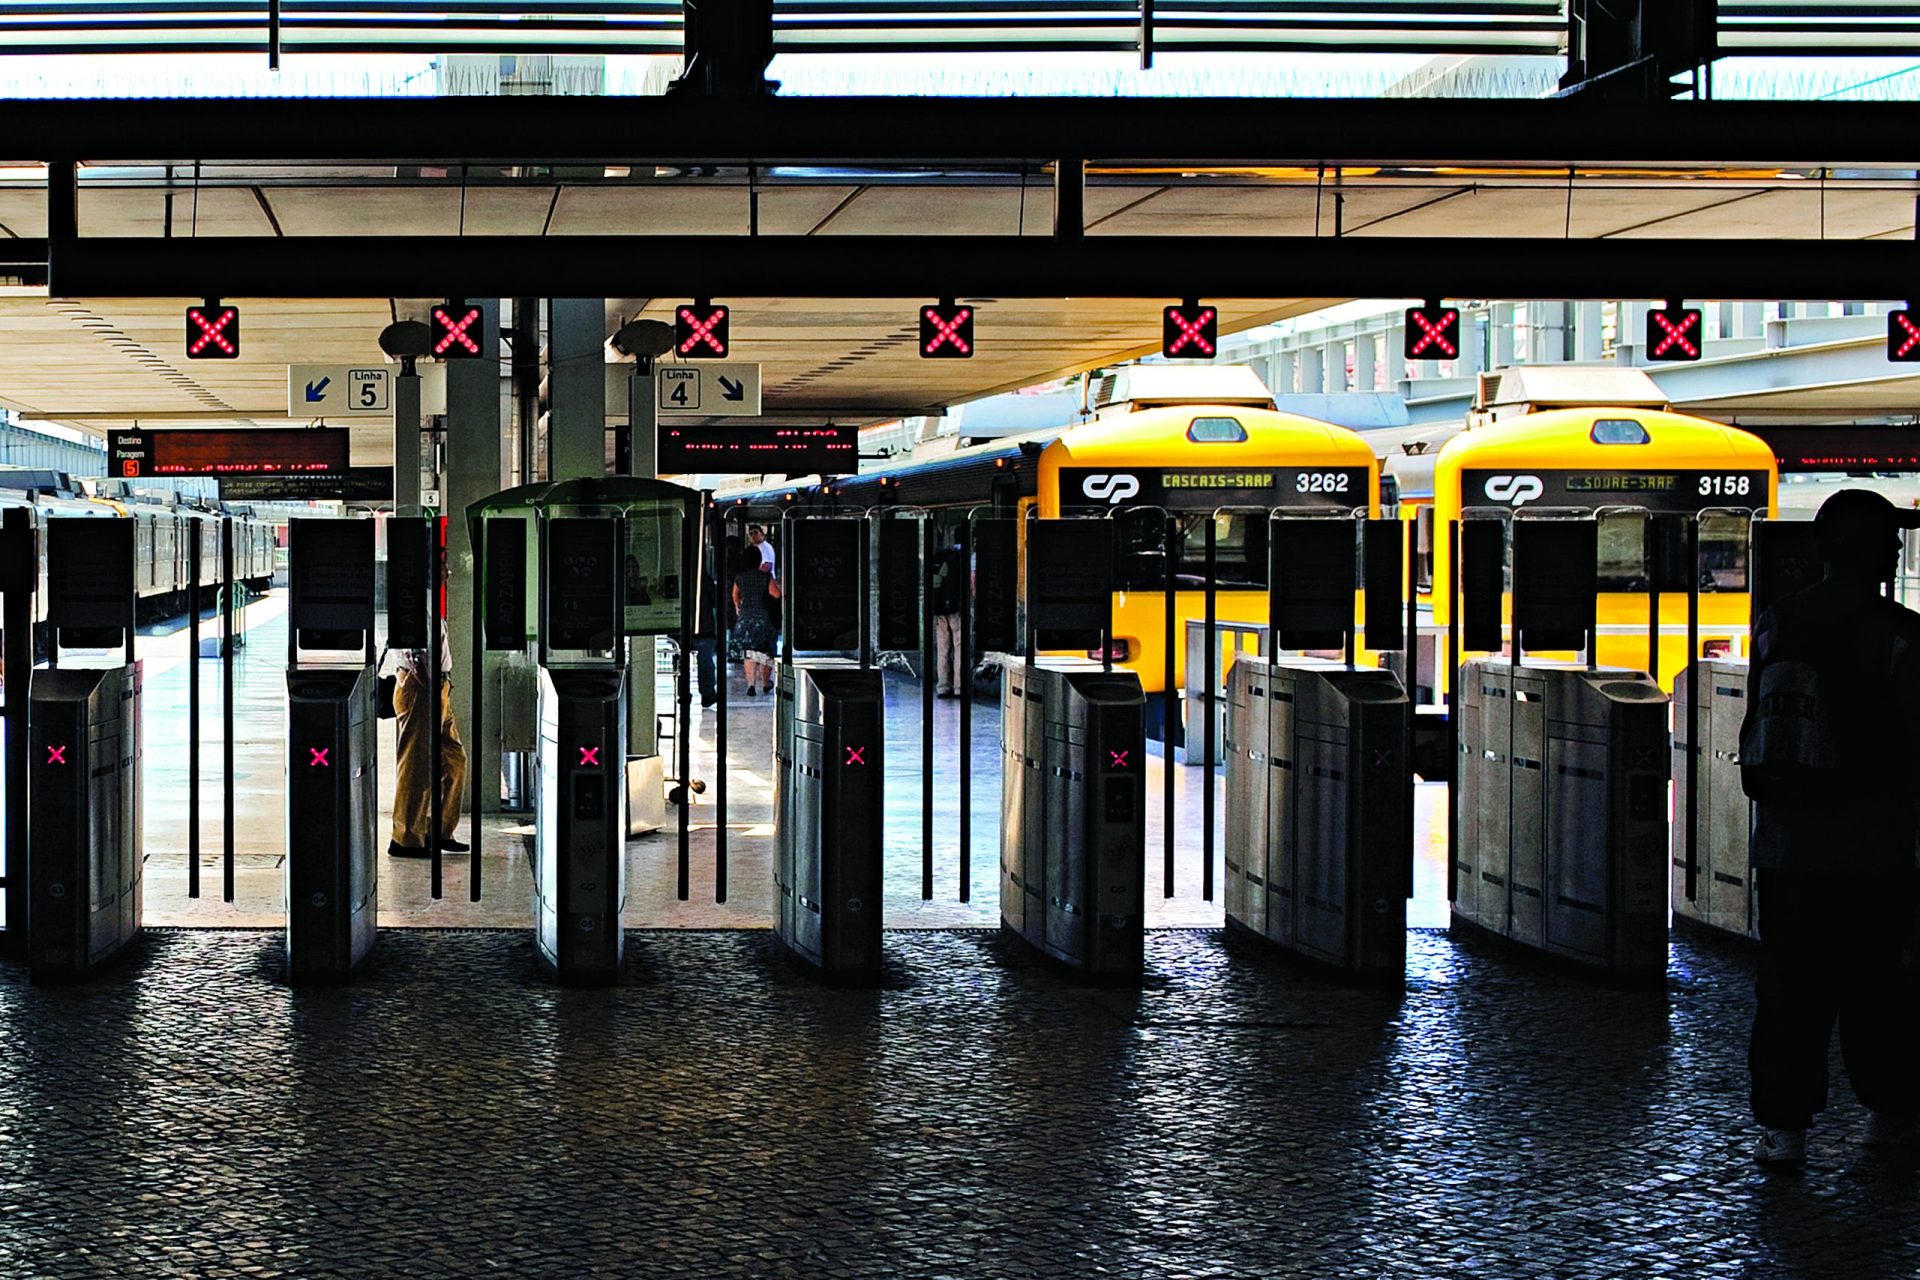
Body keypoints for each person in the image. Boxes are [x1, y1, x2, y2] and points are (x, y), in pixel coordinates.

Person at [1741, 488, 1920, 1167]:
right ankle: (1890, 1114)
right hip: (1876, 849)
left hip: (1788, 846)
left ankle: (1784, 1130)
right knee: (1881, 987)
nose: (1899, 549)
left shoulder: (1777, 623)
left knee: (1790, 989)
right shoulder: (1902, 636)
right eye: (1891, 540)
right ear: (1877, 554)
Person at [390, 619, 468, 858]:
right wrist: (432, 688)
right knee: (417, 764)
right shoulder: (415, 604)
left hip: (439, 686)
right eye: (446, 576)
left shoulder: (431, 602)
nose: (447, 578)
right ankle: (406, 838)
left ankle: (439, 830)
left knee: (455, 759)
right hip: (422, 687)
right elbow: (416, 655)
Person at [731, 543, 777, 697]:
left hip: (745, 620)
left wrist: (738, 607)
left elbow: (735, 595)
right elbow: (776, 594)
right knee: (766, 652)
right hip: (763, 619)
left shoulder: (740, 578)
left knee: (749, 653)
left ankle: (751, 685)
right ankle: (765, 683)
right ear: (759, 560)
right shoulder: (765, 577)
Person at [930, 538, 965, 698]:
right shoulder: (960, 558)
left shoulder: (941, 556)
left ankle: (943, 686)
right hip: (955, 608)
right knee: (959, 646)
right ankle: (959, 687)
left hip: (938, 608)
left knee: (942, 648)